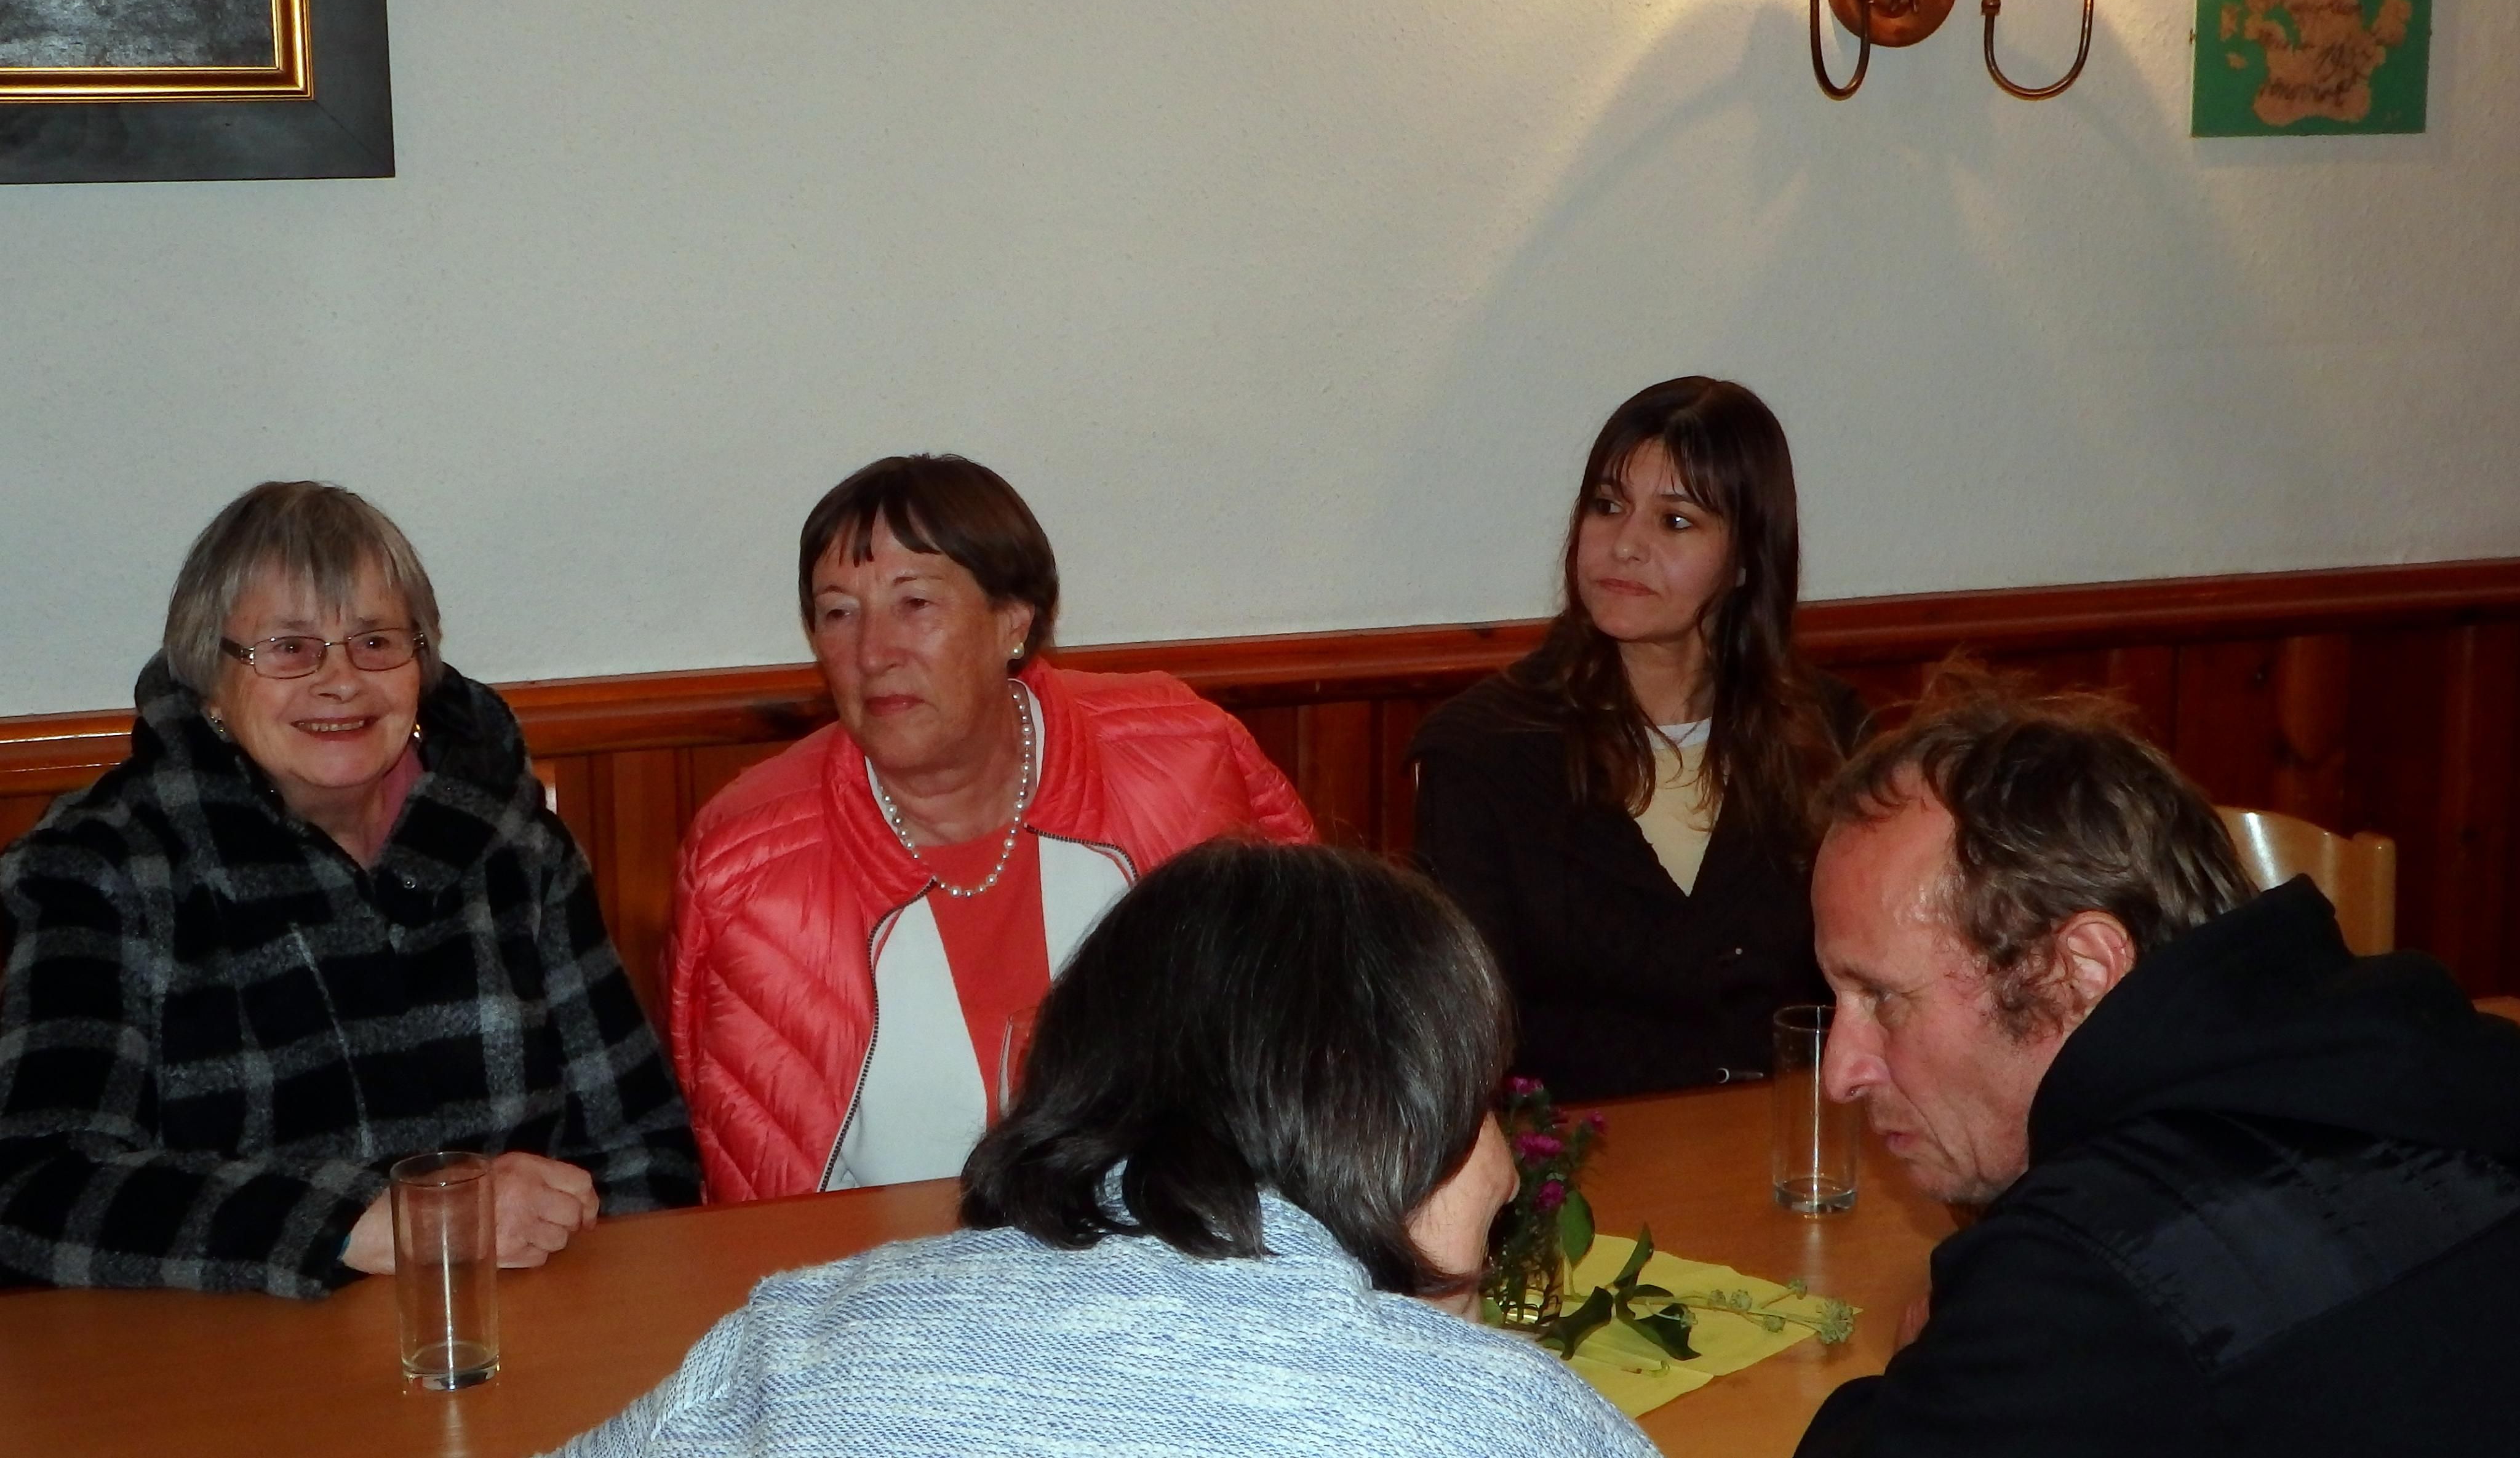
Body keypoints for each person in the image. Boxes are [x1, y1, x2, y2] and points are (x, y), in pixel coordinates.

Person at [562, 840, 1658, 1458]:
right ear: (1369, 1108)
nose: (1507, 1164)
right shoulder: (1505, 1425)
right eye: (1476, 1102)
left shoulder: (800, 1341)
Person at [0, 482, 699, 1300]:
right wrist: (364, 1220)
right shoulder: (102, 867)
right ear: (211, 683)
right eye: (289, 648)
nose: (341, 681)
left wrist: (599, 1306)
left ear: (421, 666)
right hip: (231, 1357)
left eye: (375, 641)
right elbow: (35, 1188)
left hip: (517, 1336)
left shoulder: (515, 845)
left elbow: (643, 1151)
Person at [1795, 669, 2520, 1458]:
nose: (1841, 1074)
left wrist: (1923, 1368)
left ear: (2078, 970)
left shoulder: (2081, 1275)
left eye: (1882, 997)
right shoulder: (2458, 1057)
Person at [667, 455, 1314, 1201]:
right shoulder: (748, 866)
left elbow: (1315, 1021)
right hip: (883, 1266)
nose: (873, 653)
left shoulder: (1185, 761)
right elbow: (753, 1195)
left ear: (1013, 620)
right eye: (839, 613)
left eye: (915, 603)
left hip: (1186, 1237)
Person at [1410, 376, 1862, 1098]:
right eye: (1607, 506)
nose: (1624, 546)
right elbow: (1460, 1036)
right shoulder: (1480, 751)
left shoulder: (1831, 733)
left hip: (1789, 1139)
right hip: (1577, 1154)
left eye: (1675, 521)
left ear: (1746, 557)